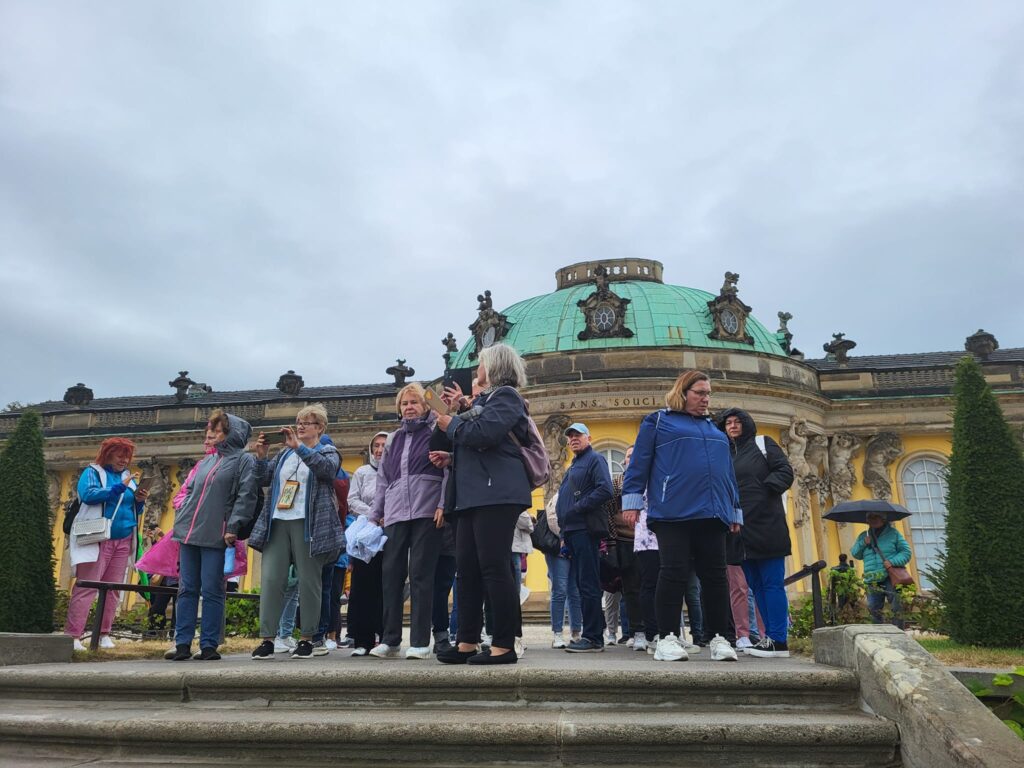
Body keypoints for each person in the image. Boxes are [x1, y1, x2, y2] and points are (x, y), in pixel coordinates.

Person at [622, 370, 741, 663]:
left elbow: (728, 474)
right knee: (673, 573)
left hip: (712, 512)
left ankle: (719, 638)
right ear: (683, 392)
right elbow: (639, 463)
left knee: (715, 577)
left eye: (708, 393)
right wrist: (632, 500)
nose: (706, 398)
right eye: (700, 392)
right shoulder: (659, 421)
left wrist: (734, 509)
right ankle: (665, 638)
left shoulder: (715, 430)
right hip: (672, 511)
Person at [434, 342, 534, 665]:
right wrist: (459, 415)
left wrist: (453, 424)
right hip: (472, 495)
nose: (477, 367)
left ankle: (504, 644)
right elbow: (476, 437)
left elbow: (486, 433)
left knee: (493, 567)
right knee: (467, 570)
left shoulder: (507, 397)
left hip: (497, 494)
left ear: (492, 367)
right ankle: (466, 640)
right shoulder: (484, 401)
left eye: (480, 363)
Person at [249, 404, 345, 660]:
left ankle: (308, 638)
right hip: (278, 520)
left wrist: (299, 448)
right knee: (271, 580)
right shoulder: (283, 455)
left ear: (320, 428)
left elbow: (326, 471)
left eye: (307, 422)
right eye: (298, 421)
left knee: (309, 582)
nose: (300, 426)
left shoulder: (328, 451)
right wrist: (261, 456)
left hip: (308, 524)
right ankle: (268, 638)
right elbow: (263, 479)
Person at [170, 411, 258, 661]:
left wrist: (233, 526)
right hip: (188, 532)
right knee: (186, 589)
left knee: (211, 590)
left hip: (217, 534)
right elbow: (189, 491)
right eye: (212, 429)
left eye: (218, 430)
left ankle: (209, 645)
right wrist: (182, 513)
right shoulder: (206, 461)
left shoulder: (244, 461)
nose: (211, 434)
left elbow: (246, 495)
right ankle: (182, 644)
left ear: (232, 434)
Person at [368, 383, 446, 660]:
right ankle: (390, 640)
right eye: (404, 403)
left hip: (427, 510)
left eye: (414, 402)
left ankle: (421, 642)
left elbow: (449, 468)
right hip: (396, 512)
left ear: (425, 406)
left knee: (422, 576)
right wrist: (375, 514)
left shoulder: (437, 431)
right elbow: (383, 481)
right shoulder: (392, 439)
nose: (409, 407)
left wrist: (443, 504)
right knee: (391, 576)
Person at [717, 408, 794, 658]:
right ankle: (768, 638)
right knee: (755, 585)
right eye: (728, 423)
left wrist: (764, 491)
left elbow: (785, 471)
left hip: (766, 523)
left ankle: (779, 639)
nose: (732, 426)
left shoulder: (763, 444)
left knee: (772, 583)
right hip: (738, 529)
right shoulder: (722, 454)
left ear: (746, 424)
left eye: (737, 422)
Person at [65, 437, 150, 651]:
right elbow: (88, 495)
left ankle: (104, 633)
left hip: (124, 538)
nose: (124, 459)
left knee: (113, 589)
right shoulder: (93, 473)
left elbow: (131, 509)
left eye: (127, 456)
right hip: (98, 537)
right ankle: (73, 635)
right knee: (88, 586)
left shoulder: (127, 477)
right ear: (107, 454)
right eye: (119, 454)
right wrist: (117, 489)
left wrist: (139, 500)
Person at [556, 422, 614, 653]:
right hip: (572, 531)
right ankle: (591, 634)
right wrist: (563, 531)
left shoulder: (595, 459)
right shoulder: (574, 464)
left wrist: (578, 508)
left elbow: (606, 489)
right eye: (570, 436)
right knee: (582, 584)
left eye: (578, 435)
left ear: (589, 437)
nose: (573, 439)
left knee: (588, 584)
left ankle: (593, 638)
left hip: (584, 529)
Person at [346, 431, 388, 656]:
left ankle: (385, 636)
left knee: (385, 587)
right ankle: (362, 640)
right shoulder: (362, 472)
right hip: (366, 534)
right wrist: (375, 513)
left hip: (389, 532)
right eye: (376, 446)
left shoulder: (395, 471)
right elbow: (352, 500)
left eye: (384, 445)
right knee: (362, 587)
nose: (379, 450)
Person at [851, 512, 912, 629]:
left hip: (889, 577)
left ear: (883, 519)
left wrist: (892, 561)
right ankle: (878, 636)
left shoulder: (893, 534)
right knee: (873, 609)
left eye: (875, 517)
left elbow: (906, 552)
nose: (873, 520)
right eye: (870, 518)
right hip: (872, 579)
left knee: (896, 607)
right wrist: (863, 543)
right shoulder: (864, 535)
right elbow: (855, 554)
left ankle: (898, 633)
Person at [543, 491, 583, 648]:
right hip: (560, 549)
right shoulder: (559, 496)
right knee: (560, 590)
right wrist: (564, 537)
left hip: (574, 548)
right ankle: (558, 633)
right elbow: (552, 518)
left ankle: (576, 632)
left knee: (575, 591)